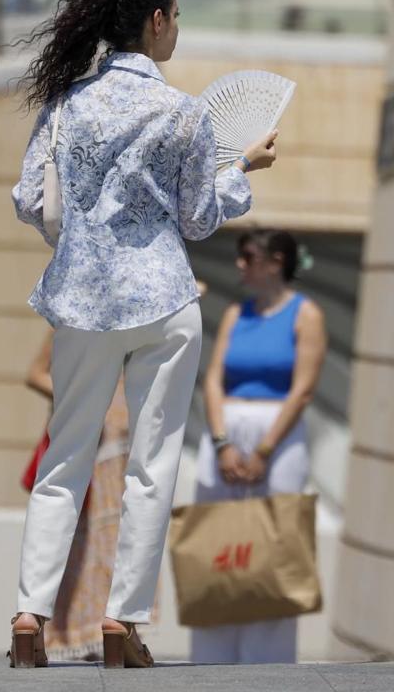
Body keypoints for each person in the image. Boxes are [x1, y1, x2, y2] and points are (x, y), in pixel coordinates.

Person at [9, 0, 278, 669]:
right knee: (152, 467)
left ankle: (28, 614)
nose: (178, 28)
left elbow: (31, 198)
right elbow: (196, 219)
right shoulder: (186, 112)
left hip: (81, 301)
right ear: (155, 20)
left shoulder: (67, 102)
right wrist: (240, 172)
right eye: (178, 16)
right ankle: (121, 621)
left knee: (64, 460)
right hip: (163, 298)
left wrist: (74, 243)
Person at [190, 230, 326, 664]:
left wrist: (264, 450)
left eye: (249, 257)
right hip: (228, 429)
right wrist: (221, 442)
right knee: (218, 544)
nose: (240, 265)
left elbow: (302, 389)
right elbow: (212, 378)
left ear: (276, 261)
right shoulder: (235, 312)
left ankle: (269, 666)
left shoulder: (307, 315)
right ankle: (211, 661)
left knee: (275, 546)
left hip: (278, 435)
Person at [24, 329, 140, 661]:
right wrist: (84, 401)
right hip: (87, 449)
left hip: (118, 454)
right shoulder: (72, 317)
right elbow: (35, 374)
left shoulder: (136, 313)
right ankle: (66, 636)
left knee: (113, 545)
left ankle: (103, 631)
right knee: (76, 545)